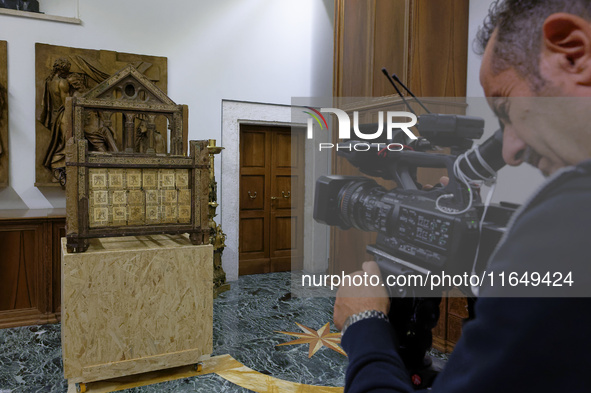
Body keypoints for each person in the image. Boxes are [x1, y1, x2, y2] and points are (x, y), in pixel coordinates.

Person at [334, 1, 591, 392]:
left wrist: (363, 325)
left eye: (505, 108)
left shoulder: (570, 220)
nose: (510, 153)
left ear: (572, 51)